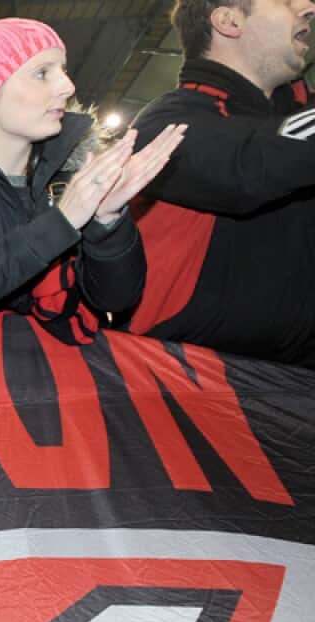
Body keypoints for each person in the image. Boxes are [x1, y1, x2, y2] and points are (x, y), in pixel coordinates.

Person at [0, 18, 185, 343]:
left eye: (62, 70)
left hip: (63, 380)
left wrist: (107, 222)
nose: (68, 86)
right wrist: (63, 221)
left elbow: (116, 301)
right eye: (42, 73)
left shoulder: (71, 174)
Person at [128, 0, 315, 368]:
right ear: (229, 21)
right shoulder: (166, 123)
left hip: (299, 385)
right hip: (188, 381)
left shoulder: (300, 117)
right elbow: (250, 167)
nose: (308, 6)